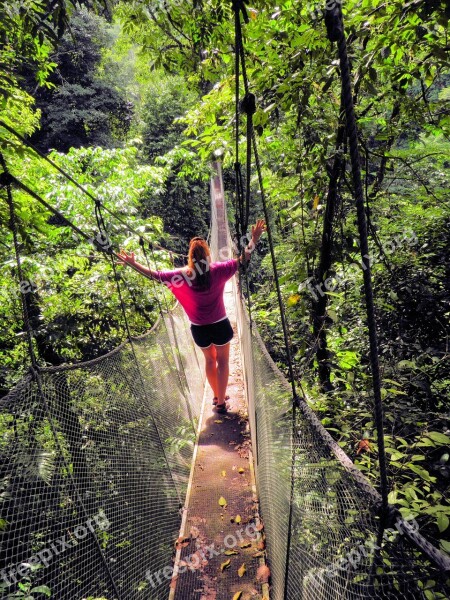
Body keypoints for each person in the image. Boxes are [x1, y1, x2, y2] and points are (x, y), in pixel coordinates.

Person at [117, 219, 266, 413]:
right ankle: (221, 401)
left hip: (199, 328)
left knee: (210, 361)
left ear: (190, 257)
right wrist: (253, 239)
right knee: (223, 362)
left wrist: (133, 264)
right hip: (220, 325)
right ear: (208, 255)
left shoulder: (180, 276)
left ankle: (216, 396)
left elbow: (155, 275)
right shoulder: (219, 270)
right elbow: (242, 260)